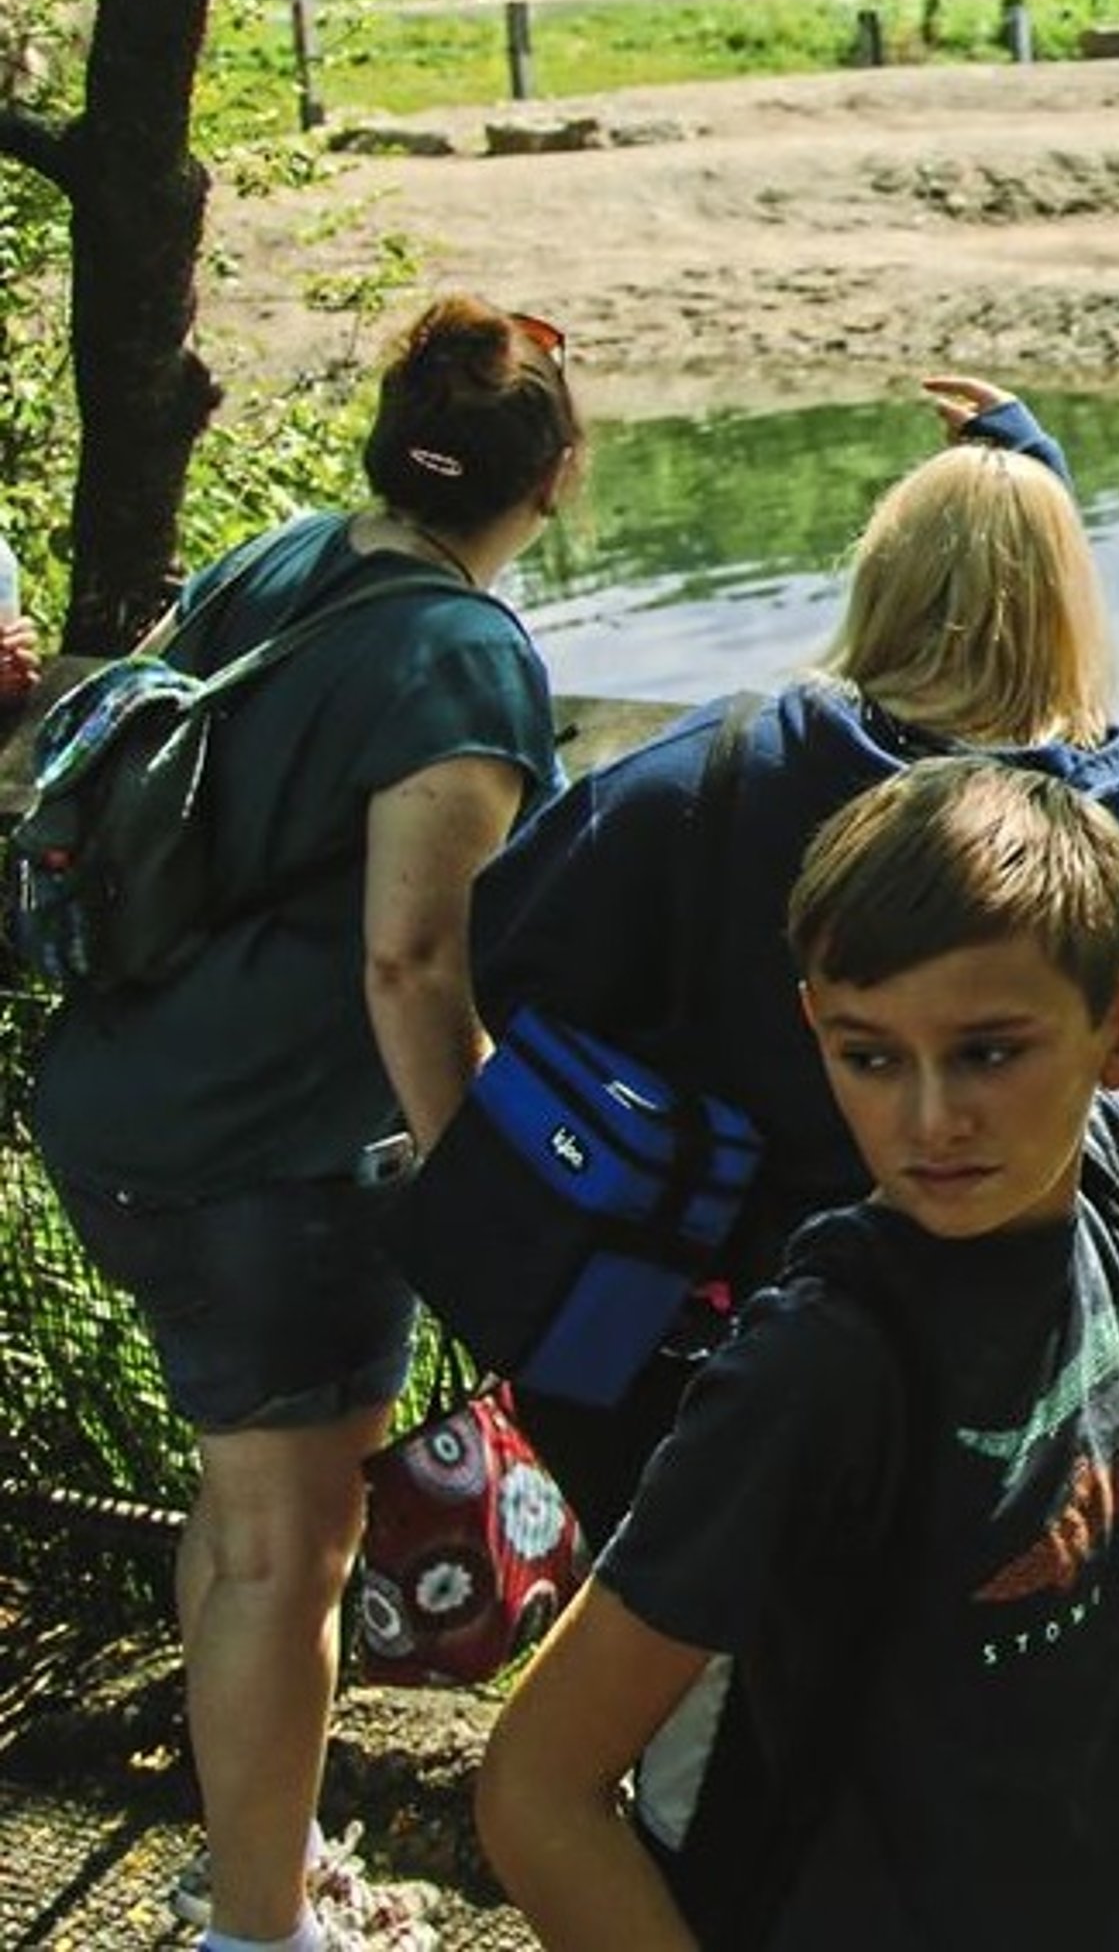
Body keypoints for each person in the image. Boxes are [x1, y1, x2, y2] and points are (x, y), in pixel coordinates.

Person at [477, 574, 1119, 1951]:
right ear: (813, 1026)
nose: (930, 1118)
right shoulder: (818, 1364)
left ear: (1109, 1033)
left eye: (989, 1051)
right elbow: (538, 1788)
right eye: (870, 1056)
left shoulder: (1103, 1178)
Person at [28, 295, 581, 1952]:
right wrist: (490, 1209)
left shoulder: (284, 561)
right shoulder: (467, 662)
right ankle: (259, 1931)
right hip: (259, 1159)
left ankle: (256, 1869)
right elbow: (415, 964)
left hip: (121, 1103)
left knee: (241, 1514)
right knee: (289, 1551)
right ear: (552, 481)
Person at [472, 376, 1119, 1541]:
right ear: (1065, 608)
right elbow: (1063, 699)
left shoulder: (723, 768)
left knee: (697, 1648)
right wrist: (1028, 468)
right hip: (985, 1330)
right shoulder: (1093, 820)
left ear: (876, 578)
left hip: (701, 1318)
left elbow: (510, 947)